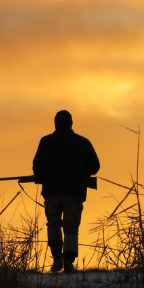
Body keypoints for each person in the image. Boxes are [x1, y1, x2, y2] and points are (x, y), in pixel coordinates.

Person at [32, 110, 100, 273]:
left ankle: (57, 261)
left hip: (52, 192)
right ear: (71, 124)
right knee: (71, 228)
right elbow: (95, 166)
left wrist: (42, 177)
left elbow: (37, 167)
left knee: (53, 224)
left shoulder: (46, 142)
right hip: (74, 193)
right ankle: (69, 264)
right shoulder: (83, 142)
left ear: (55, 124)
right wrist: (82, 174)